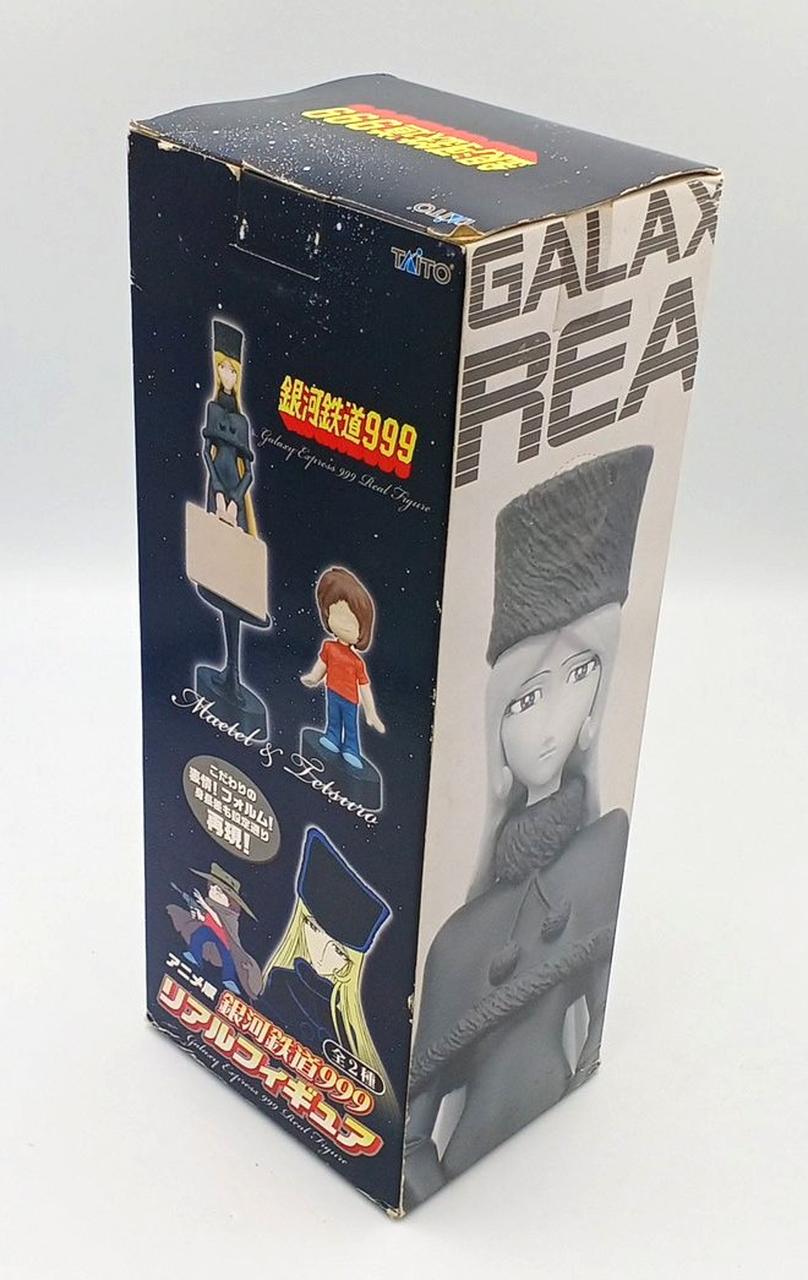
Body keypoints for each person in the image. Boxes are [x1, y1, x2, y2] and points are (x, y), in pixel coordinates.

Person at [404, 446, 653, 1207]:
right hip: (470, 1178)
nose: (548, 725)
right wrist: (430, 1181)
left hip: (575, 1166)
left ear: (596, 705)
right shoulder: (457, 940)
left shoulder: (605, 851)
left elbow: (594, 1035)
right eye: (524, 698)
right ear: (497, 728)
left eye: (578, 677)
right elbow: (409, 1136)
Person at [260, 827, 396, 1114]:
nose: (323, 953)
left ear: (350, 964)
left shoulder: (344, 1023)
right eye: (313, 928)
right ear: (302, 925)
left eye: (339, 951)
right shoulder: (280, 982)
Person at [300, 567, 385, 770]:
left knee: (350, 725)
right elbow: (322, 666)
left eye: (352, 622)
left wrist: (371, 713)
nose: (344, 625)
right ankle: (332, 737)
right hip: (332, 692)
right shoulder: (329, 647)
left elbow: (364, 687)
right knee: (333, 719)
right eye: (337, 615)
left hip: (350, 700)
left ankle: (351, 749)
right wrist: (313, 678)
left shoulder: (357, 662)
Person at [167, 861, 262, 999]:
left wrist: (204, 906)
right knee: (198, 936)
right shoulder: (211, 906)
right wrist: (199, 915)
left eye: (220, 891)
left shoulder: (230, 916)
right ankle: (194, 956)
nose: (214, 892)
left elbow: (220, 923)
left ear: (230, 901)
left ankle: (229, 980)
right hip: (210, 934)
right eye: (213, 887)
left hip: (225, 942)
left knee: (228, 960)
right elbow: (209, 920)